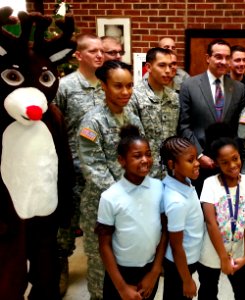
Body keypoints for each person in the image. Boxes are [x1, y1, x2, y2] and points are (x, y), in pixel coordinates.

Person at [77, 60, 144, 299]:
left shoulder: (133, 120)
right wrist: (126, 195)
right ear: (103, 86)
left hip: (132, 204)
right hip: (102, 208)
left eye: (129, 86)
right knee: (101, 272)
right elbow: (94, 168)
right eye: (118, 86)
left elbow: (141, 157)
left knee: (125, 265)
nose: (125, 92)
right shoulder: (92, 122)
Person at [54, 33, 105, 295]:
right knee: (67, 220)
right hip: (73, 167)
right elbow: (54, 124)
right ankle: (61, 263)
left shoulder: (106, 84)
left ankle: (100, 267)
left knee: (99, 223)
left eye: (102, 51)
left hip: (100, 169)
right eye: (93, 51)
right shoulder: (65, 86)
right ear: (79, 55)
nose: (99, 55)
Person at [96, 125, 167, 300]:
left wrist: (155, 271)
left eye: (148, 154)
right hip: (120, 273)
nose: (145, 160)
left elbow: (166, 230)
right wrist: (121, 288)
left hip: (150, 269)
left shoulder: (159, 188)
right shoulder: (110, 197)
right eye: (137, 156)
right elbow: (104, 244)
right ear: (122, 160)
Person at [197, 126, 245, 300]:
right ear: (217, 163)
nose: (233, 165)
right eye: (225, 162)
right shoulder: (210, 184)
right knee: (208, 291)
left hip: (239, 253)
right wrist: (223, 258)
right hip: (211, 253)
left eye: (235, 158)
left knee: (244, 292)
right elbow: (211, 223)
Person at [178, 39, 245, 193]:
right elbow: (184, 125)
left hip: (229, 163)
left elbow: (241, 126)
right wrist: (200, 155)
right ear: (208, 58)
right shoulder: (189, 85)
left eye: (227, 57)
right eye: (218, 56)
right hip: (199, 162)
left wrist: (234, 154)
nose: (223, 61)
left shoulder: (239, 89)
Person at [160, 136, 204, 300]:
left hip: (188, 259)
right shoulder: (176, 201)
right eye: (190, 160)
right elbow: (176, 246)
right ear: (172, 165)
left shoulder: (184, 180)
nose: (197, 163)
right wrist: (187, 280)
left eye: (196, 158)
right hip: (179, 265)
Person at [132, 47, 179, 179]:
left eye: (171, 66)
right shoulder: (134, 96)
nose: (168, 71)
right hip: (144, 173)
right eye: (162, 65)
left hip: (170, 173)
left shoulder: (174, 97)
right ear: (149, 67)